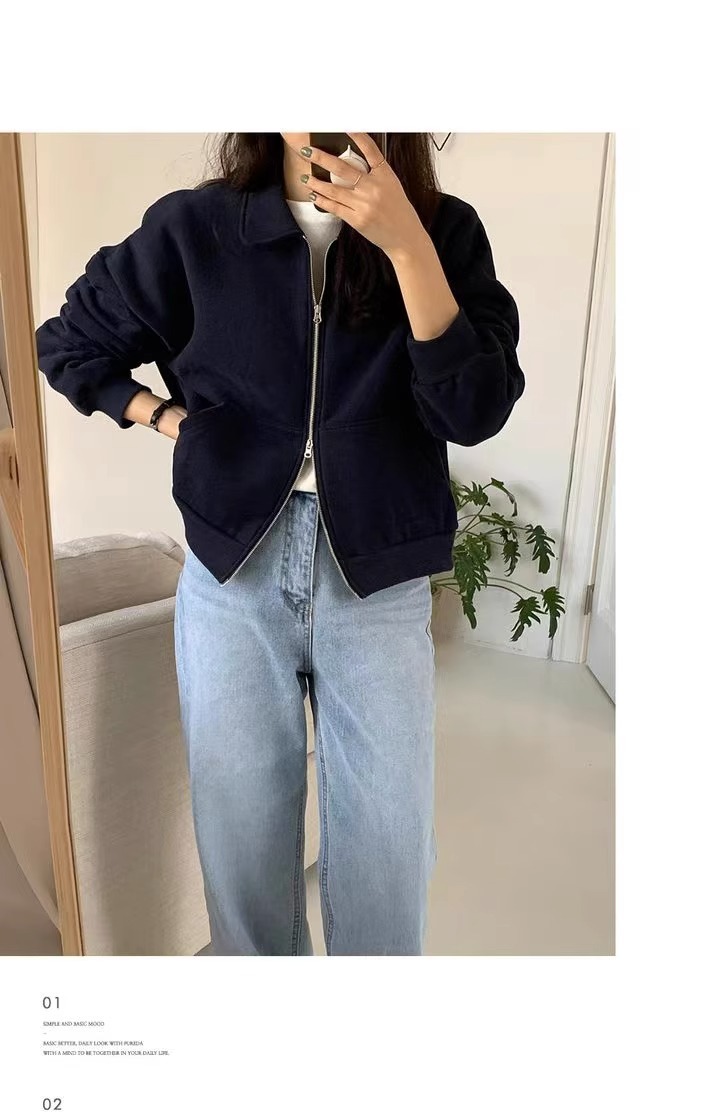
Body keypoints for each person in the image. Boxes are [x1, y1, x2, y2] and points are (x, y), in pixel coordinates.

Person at [36, 133, 524, 959]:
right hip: (234, 577)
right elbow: (68, 343)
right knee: (242, 851)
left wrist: (406, 244)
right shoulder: (195, 228)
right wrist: (167, 418)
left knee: (389, 855)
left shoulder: (444, 231)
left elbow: (473, 410)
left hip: (378, 580)